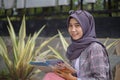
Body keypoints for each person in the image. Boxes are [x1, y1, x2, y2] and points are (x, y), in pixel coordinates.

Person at [42, 9, 112, 80]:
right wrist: (62, 70)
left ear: (86, 26)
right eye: (70, 26)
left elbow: (101, 78)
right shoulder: (75, 47)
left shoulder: (95, 48)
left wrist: (74, 79)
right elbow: (77, 73)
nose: (73, 29)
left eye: (77, 25)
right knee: (50, 75)